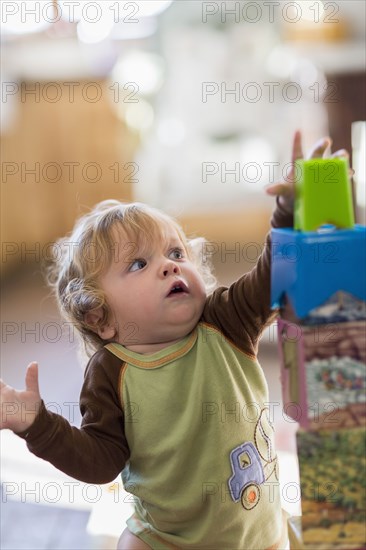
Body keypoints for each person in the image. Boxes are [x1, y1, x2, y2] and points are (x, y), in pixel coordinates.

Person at [0, 133, 348, 549]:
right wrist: (38, 425)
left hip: (256, 536)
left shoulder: (225, 320)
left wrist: (289, 212)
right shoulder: (112, 372)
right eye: (139, 263)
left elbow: (275, 275)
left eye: (177, 254)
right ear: (100, 318)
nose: (168, 266)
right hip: (168, 540)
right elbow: (100, 461)